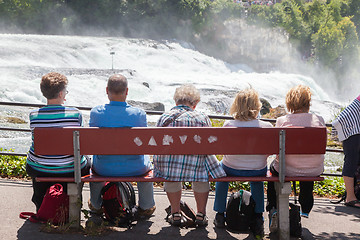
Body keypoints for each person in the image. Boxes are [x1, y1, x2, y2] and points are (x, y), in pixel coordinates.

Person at [153, 84, 226, 227]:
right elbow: (209, 145)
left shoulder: (164, 117)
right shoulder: (202, 117)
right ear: (195, 103)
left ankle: (175, 214)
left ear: (176, 102)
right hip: (196, 166)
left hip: (169, 167)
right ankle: (201, 214)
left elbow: (157, 144)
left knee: (171, 171)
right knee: (201, 169)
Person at [88, 74, 155, 221]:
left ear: (107, 90)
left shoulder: (96, 113)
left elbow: (93, 142)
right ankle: (146, 205)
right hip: (135, 168)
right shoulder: (139, 114)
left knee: (96, 164)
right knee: (147, 163)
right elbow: (142, 144)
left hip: (104, 168)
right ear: (127, 91)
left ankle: (95, 204)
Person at [26, 72, 90, 211]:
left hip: (40, 169)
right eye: (65, 91)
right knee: (87, 162)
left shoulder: (34, 116)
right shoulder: (75, 114)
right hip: (70, 169)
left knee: (35, 163)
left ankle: (40, 201)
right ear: (61, 94)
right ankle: (74, 200)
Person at [213, 88, 272, 238]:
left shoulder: (228, 125)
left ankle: (220, 214)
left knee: (221, 174)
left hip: (231, 168)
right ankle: (258, 216)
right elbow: (270, 152)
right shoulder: (267, 127)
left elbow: (223, 149)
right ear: (257, 106)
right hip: (257, 169)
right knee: (257, 182)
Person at [266, 85, 325, 231]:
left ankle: (273, 207)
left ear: (289, 102)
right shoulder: (319, 119)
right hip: (313, 169)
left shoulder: (282, 120)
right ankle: (305, 206)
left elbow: (275, 148)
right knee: (306, 166)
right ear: (308, 102)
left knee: (273, 168)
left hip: (287, 169)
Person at [332, 95, 360, 208]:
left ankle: (353, 194)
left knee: (354, 159)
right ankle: (350, 197)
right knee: (351, 159)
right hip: (351, 125)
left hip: (353, 123)